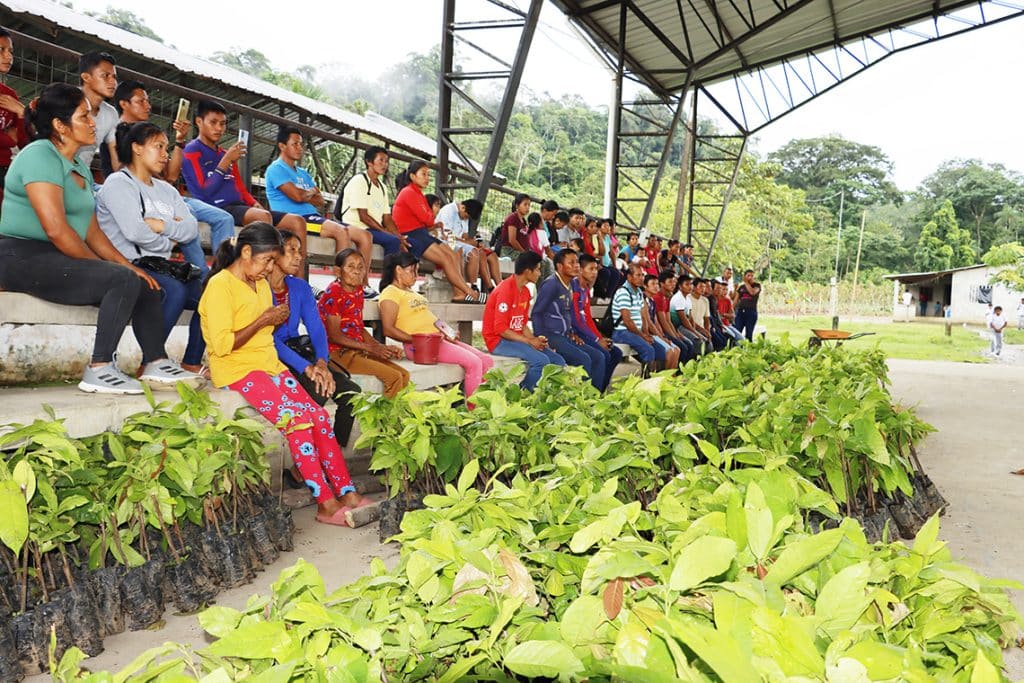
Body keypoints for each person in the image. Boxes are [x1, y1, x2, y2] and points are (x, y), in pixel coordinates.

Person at [0, 83, 199, 394]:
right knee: (121, 279)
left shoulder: (78, 164)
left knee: (143, 281)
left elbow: (93, 232)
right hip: (19, 256)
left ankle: (155, 362)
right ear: (60, 126)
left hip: (55, 256)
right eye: (84, 117)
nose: (93, 122)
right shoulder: (39, 155)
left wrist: (127, 266)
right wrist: (112, 269)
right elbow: (56, 229)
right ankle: (99, 368)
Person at [198, 222, 368, 527]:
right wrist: (264, 319)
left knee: (319, 417)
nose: (269, 268)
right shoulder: (220, 286)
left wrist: (301, 357)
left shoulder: (261, 285)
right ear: (246, 252)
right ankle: (325, 503)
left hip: (269, 365)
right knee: (297, 421)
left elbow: (267, 339)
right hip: (238, 369)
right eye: (266, 260)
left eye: (272, 262)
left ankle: (346, 492)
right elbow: (222, 346)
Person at [96, 122, 208, 377]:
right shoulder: (118, 183)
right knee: (174, 291)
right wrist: (170, 241)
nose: (165, 155)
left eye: (166, 148)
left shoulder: (167, 190)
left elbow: (190, 229)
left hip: (161, 265)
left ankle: (192, 361)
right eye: (158, 147)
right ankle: (151, 362)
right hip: (128, 265)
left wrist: (161, 225)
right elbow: (135, 232)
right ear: (137, 148)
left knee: (211, 295)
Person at [113, 82, 235, 275]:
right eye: (141, 101)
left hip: (169, 193)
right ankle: (204, 276)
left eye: (147, 101)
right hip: (151, 196)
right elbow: (121, 172)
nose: (148, 105)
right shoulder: (114, 133)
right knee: (188, 216)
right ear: (124, 104)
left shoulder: (153, 135)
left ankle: (222, 274)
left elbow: (170, 176)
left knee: (224, 218)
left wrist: (179, 140)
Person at [268, 232, 363, 473]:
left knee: (351, 393)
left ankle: (332, 457)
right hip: (273, 356)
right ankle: (303, 468)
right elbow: (269, 340)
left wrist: (321, 362)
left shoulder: (299, 286)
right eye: (291, 250)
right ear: (274, 252)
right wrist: (307, 368)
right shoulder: (258, 287)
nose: (299, 256)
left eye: (299, 251)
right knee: (316, 393)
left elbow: (317, 328)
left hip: (302, 351)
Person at [181, 100, 309, 259]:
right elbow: (205, 192)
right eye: (213, 122)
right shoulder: (192, 150)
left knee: (297, 221)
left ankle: (298, 274)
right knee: (263, 217)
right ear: (199, 122)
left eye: (223, 123)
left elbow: (240, 188)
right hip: (217, 207)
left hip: (240, 207)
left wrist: (253, 202)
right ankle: (263, 270)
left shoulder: (225, 153)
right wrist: (226, 161)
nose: (219, 128)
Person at [265, 126, 375, 296]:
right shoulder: (276, 169)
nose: (300, 148)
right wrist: (308, 193)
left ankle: (363, 285)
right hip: (297, 218)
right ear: (282, 146)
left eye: (301, 144)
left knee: (365, 236)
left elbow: (320, 200)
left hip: (314, 217)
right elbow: (297, 196)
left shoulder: (303, 173)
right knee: (341, 231)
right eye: (295, 144)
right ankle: (342, 288)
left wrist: (306, 194)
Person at [378, 251, 494, 399]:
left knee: (486, 360)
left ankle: (483, 401)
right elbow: (388, 329)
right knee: (474, 363)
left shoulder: (411, 292)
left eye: (417, 271)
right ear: (398, 270)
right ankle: (475, 408)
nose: (416, 275)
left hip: (436, 339)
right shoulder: (390, 292)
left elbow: (429, 317)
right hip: (420, 346)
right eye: (412, 271)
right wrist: (421, 340)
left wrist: (448, 331)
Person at [318, 249, 410, 399]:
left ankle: (395, 412)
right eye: (350, 267)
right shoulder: (334, 292)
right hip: (336, 355)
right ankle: (386, 414)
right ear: (338, 271)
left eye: (361, 267)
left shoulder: (358, 290)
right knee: (394, 378)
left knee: (404, 375)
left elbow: (358, 327)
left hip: (356, 350)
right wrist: (371, 348)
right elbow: (334, 336)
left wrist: (380, 347)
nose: (357, 271)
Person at [391, 160, 485, 303]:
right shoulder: (409, 192)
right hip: (412, 235)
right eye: (423, 174)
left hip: (422, 233)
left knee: (454, 254)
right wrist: (430, 219)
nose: (427, 178)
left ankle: (460, 293)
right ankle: (470, 292)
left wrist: (430, 218)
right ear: (412, 176)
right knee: (449, 257)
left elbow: (429, 218)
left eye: (428, 174)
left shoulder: (419, 194)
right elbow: (429, 220)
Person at [483, 251, 565, 391]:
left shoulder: (526, 292)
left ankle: (544, 393)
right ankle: (524, 394)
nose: (539, 273)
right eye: (537, 269)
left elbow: (522, 324)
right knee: (541, 361)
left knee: (558, 361)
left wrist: (535, 340)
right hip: (498, 341)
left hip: (516, 339)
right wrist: (529, 341)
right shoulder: (505, 290)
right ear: (527, 271)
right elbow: (501, 329)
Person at [532, 249, 605, 390]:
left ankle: (596, 395)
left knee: (598, 357)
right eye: (571, 263)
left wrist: (571, 332)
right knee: (583, 359)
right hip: (551, 335)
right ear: (559, 266)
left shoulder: (569, 285)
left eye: (577, 262)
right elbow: (537, 313)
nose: (576, 266)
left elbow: (566, 313)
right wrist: (541, 340)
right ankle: (581, 396)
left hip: (565, 335)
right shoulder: (551, 284)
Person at [336, 146, 405, 257]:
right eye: (381, 160)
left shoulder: (382, 187)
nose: (384, 164)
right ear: (369, 162)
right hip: (356, 226)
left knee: (404, 242)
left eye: (386, 161)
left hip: (372, 229)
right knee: (392, 241)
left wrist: (399, 236)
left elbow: (387, 218)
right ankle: (390, 268)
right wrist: (386, 232)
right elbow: (363, 216)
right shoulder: (359, 180)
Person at [572, 253, 622, 391]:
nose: (595, 272)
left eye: (596, 269)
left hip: (585, 333)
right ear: (580, 270)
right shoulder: (573, 288)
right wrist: (596, 340)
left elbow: (588, 318)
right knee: (601, 355)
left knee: (616, 353)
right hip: (574, 334)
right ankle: (592, 393)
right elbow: (576, 321)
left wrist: (600, 337)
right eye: (591, 269)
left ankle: (600, 390)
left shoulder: (586, 290)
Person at [436, 197, 501, 292]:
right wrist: (466, 242)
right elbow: (446, 236)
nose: (466, 218)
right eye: (466, 216)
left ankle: (491, 288)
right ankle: (471, 286)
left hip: (458, 243)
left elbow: (464, 235)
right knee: (474, 252)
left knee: (484, 253)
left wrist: (474, 241)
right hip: (446, 242)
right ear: (463, 207)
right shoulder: (448, 211)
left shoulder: (463, 213)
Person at [75, 52, 119, 179]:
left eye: (114, 77)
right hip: (54, 173)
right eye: (105, 76)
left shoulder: (111, 113)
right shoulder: (66, 101)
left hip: (84, 178)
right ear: (86, 77)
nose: (113, 82)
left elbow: (117, 160)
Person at [611, 264, 657, 377]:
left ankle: (658, 378)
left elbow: (643, 317)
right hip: (622, 332)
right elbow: (627, 321)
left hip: (634, 332)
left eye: (642, 275)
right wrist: (643, 336)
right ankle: (647, 382)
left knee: (659, 349)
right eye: (638, 275)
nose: (641, 278)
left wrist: (646, 333)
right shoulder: (623, 292)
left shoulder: (639, 292)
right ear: (629, 277)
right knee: (648, 350)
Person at [0, 28, 29, 204]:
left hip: (5, 169)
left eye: (11, 51)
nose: (8, 56)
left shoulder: (10, 95)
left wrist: (22, 113)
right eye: (1, 50)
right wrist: (9, 139)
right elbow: (13, 140)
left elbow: (23, 141)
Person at [653, 270, 695, 361]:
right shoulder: (658, 297)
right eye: (670, 282)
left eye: (673, 282)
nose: (673, 284)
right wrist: (674, 337)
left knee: (689, 344)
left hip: (668, 330)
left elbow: (669, 321)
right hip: (660, 332)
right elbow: (663, 322)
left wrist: (676, 334)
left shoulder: (667, 298)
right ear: (662, 284)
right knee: (683, 347)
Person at [642, 274, 681, 370]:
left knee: (677, 350)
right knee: (669, 352)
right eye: (653, 284)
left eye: (657, 284)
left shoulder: (652, 300)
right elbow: (649, 323)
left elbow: (656, 322)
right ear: (645, 286)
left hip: (655, 334)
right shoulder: (643, 300)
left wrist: (662, 336)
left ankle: (671, 376)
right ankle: (663, 377)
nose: (656, 286)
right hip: (647, 333)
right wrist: (661, 338)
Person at [670, 275, 709, 355]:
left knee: (707, 342)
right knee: (698, 341)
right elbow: (684, 320)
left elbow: (690, 318)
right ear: (680, 286)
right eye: (687, 284)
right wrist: (695, 332)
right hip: (678, 327)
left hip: (685, 326)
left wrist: (696, 330)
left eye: (691, 284)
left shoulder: (687, 298)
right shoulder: (678, 298)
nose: (690, 287)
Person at [499, 192, 531, 259]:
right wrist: (524, 253)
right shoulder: (513, 218)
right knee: (531, 261)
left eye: (529, 205)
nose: (528, 207)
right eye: (525, 204)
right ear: (517, 206)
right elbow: (512, 240)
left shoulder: (523, 221)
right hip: (509, 251)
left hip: (520, 251)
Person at [732, 269, 761, 341]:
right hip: (740, 312)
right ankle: (736, 346)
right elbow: (735, 301)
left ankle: (748, 347)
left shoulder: (757, 286)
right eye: (748, 275)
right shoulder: (741, 287)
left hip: (751, 312)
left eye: (752, 276)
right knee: (737, 332)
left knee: (749, 334)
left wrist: (746, 283)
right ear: (744, 276)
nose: (750, 277)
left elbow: (752, 292)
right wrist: (731, 311)